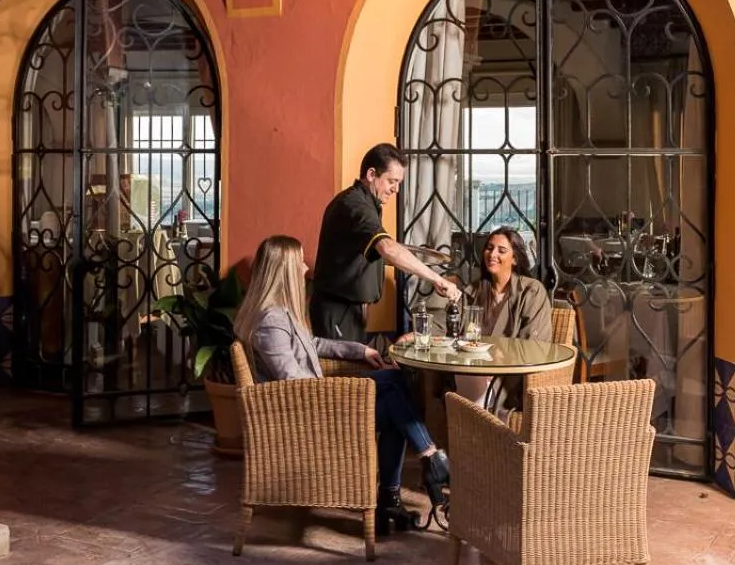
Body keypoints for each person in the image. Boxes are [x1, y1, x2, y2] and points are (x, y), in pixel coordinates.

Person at [234, 235, 450, 533]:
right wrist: (341, 391)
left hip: (314, 400)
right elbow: (290, 380)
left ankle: (401, 487)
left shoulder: (280, 313)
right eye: (299, 263)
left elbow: (312, 344)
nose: (305, 267)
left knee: (393, 402)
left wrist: (361, 351)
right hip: (305, 412)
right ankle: (426, 463)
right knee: (392, 387)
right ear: (283, 270)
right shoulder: (271, 321)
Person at [310, 142, 461, 344]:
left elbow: (376, 251)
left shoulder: (365, 203)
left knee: (358, 371)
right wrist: (437, 280)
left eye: (399, 182)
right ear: (372, 174)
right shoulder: (355, 206)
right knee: (344, 374)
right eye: (392, 181)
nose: (396, 189)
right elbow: (386, 247)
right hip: (337, 312)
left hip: (350, 311)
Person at [453, 227, 553, 412]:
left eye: (501, 250)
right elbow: (449, 327)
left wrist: (499, 358)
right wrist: (415, 334)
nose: (492, 254)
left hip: (508, 377)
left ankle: (470, 435)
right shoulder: (473, 290)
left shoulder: (531, 291)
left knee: (470, 402)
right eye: (489, 248)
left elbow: (535, 346)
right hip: (470, 369)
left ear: (514, 258)